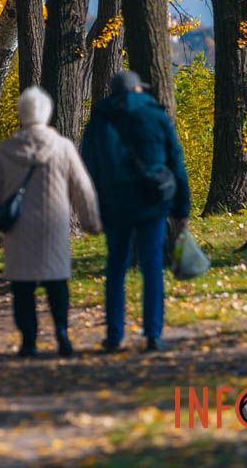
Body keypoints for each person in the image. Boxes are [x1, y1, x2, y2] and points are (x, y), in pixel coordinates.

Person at [0, 87, 101, 358]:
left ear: (21, 113)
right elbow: (83, 188)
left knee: (22, 287)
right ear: (47, 113)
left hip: (17, 228)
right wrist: (90, 221)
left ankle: (29, 341)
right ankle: (61, 332)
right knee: (57, 282)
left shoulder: (6, 149)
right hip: (54, 224)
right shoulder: (62, 147)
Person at [81, 70, 191, 354]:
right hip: (151, 201)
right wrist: (182, 207)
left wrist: (94, 202)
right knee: (152, 266)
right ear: (138, 90)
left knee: (116, 266)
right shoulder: (155, 115)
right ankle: (153, 333)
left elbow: (88, 165)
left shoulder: (101, 117)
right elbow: (176, 161)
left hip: (115, 203)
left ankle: (114, 335)